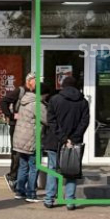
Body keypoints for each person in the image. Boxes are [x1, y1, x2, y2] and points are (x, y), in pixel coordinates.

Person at [45, 76, 89, 210]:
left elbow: (51, 121)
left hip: (55, 141)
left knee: (53, 169)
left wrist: (63, 138)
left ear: (63, 86)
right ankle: (70, 201)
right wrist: (73, 138)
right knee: (72, 170)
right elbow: (84, 122)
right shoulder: (83, 102)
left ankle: (49, 199)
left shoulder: (54, 99)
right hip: (75, 142)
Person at [10, 73, 45, 202]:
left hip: (21, 139)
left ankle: (19, 191)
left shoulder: (23, 101)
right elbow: (47, 119)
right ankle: (31, 193)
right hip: (32, 140)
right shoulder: (37, 104)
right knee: (34, 167)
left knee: (23, 166)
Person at [0, 77, 26, 190]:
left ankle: (21, 180)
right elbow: (3, 101)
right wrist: (11, 115)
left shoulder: (35, 93)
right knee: (17, 152)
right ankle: (12, 177)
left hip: (27, 127)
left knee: (24, 153)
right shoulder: (20, 91)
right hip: (16, 125)